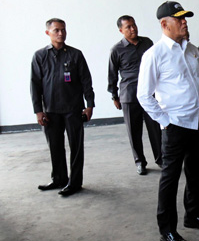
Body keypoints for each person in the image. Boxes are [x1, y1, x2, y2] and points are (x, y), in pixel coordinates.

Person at [138, 1, 199, 241]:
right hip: (176, 124)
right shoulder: (155, 54)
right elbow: (144, 95)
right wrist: (165, 121)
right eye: (179, 19)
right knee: (170, 178)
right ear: (165, 24)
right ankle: (167, 230)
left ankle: (193, 215)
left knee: (196, 172)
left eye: (186, 19)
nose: (185, 23)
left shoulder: (192, 50)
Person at [31, 18, 95, 197]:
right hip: (51, 110)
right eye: (56, 30)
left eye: (63, 30)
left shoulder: (75, 54)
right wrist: (38, 110)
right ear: (48, 33)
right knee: (55, 146)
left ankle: (74, 183)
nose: (61, 33)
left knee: (76, 147)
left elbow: (86, 81)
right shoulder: (40, 56)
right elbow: (35, 85)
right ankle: (59, 178)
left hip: (73, 109)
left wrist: (89, 105)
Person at [108, 15, 162, 175]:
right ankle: (140, 162)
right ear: (121, 30)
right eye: (128, 27)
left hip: (150, 93)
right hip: (129, 95)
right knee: (134, 131)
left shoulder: (147, 43)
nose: (133, 29)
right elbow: (112, 75)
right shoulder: (116, 50)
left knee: (155, 128)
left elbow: (157, 64)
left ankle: (161, 159)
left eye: (134, 25)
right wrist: (114, 96)